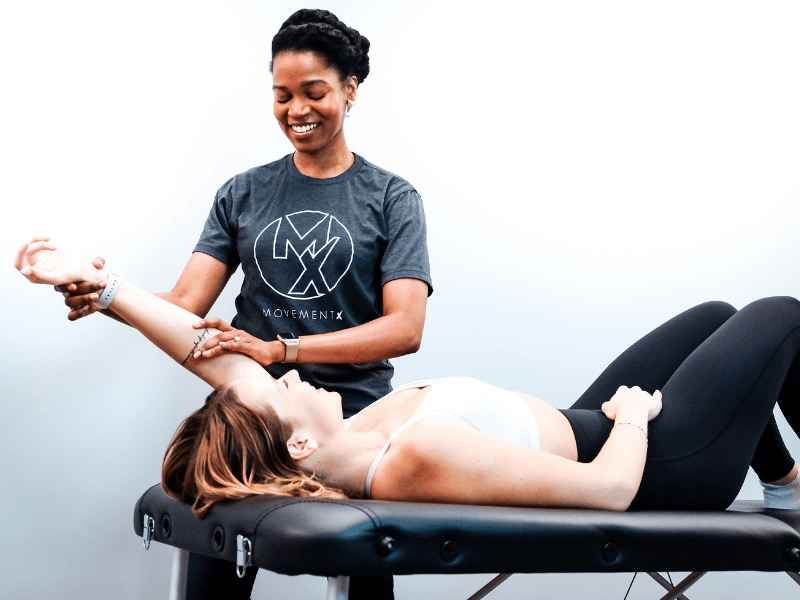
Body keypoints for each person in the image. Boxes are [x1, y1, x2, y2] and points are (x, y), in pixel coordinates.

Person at [54, 9, 432, 599]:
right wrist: (107, 296)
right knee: (214, 582)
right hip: (247, 427)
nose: (296, 111)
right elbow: (185, 303)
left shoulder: (392, 198)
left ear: (350, 90)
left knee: (364, 587)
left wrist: (282, 347)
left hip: (353, 421)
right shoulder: (243, 192)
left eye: (314, 92)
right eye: (281, 95)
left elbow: (405, 328)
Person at [17, 239, 800, 523]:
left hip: (585, 422)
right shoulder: (410, 456)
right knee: (782, 314)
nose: (285, 377)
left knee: (715, 315)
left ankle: (789, 483)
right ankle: (785, 484)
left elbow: (206, 352)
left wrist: (105, 285)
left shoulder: (340, 444)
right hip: (659, 466)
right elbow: (609, 495)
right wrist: (632, 420)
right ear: (292, 438)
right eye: (280, 388)